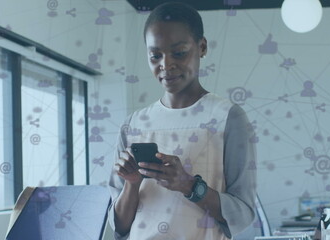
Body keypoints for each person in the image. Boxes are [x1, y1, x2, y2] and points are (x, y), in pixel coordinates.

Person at [108, 2, 256, 239]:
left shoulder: (228, 117)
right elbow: (120, 227)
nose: (166, 65)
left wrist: (189, 185)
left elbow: (243, 213)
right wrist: (132, 184)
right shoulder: (132, 125)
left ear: (202, 47)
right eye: (155, 56)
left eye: (179, 52)